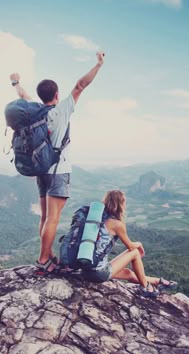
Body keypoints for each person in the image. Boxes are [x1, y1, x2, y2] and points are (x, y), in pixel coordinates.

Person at [10, 52, 105, 274]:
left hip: (41, 170)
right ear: (56, 94)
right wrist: (98, 64)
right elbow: (81, 85)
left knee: (45, 217)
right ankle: (44, 260)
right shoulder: (61, 110)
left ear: (40, 96)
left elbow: (23, 95)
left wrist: (15, 82)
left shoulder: (36, 112)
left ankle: (47, 253)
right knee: (53, 218)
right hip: (58, 171)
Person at [82, 190, 178, 297]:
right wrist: (139, 244)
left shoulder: (95, 219)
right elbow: (131, 247)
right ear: (120, 204)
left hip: (85, 270)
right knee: (135, 253)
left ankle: (158, 281)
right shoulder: (116, 224)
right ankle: (147, 288)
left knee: (128, 273)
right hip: (98, 273)